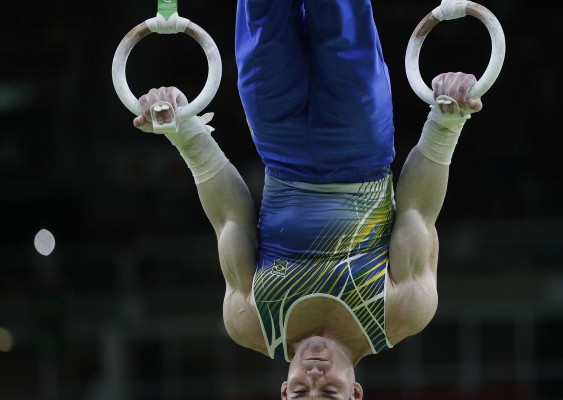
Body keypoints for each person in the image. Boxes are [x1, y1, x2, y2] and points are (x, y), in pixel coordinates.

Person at [131, 0, 483, 398]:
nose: (314, 380)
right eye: (328, 395)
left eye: (302, 395)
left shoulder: (251, 322)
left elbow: (230, 219)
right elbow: (418, 210)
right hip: (358, 142)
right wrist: (447, 120)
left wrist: (184, 132)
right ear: (355, 393)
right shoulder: (401, 311)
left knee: (262, 13)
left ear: (284, 391)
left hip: (279, 144)